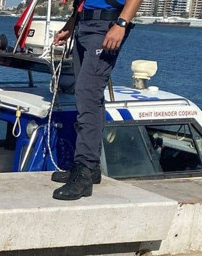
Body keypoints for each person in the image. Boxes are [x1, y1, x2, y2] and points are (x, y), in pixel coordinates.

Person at [50, 0, 142, 200]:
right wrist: (70, 25)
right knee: (90, 96)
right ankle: (90, 168)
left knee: (88, 96)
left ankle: (83, 171)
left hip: (105, 26)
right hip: (83, 25)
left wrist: (121, 24)